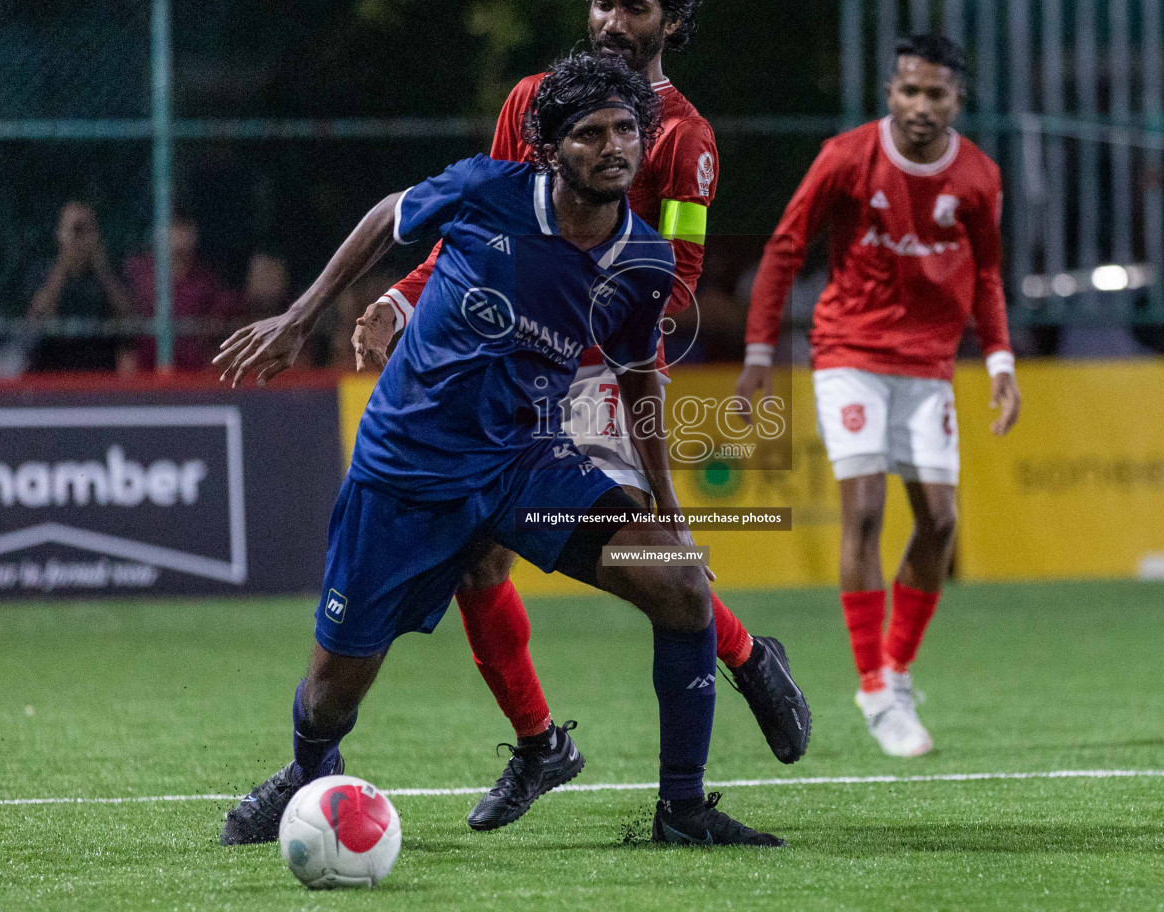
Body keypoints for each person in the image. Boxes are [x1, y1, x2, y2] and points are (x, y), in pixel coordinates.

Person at [215, 53, 784, 847]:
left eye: (626, 130)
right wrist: (303, 314)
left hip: (528, 466)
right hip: (407, 468)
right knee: (329, 696)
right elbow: (388, 213)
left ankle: (682, 811)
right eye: (590, 134)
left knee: (681, 585)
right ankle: (307, 774)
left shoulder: (644, 259)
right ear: (551, 150)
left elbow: (637, 375)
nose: (613, 147)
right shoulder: (491, 190)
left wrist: (668, 506)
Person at [350, 0, 809, 831]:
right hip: (514, 362)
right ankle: (538, 748)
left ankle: (745, 656)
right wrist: (403, 299)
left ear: (671, 18)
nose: (609, 20)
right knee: (479, 556)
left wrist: (575, 310)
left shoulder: (687, 141)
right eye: (601, 1)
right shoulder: (534, 103)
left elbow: (676, 287)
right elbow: (482, 225)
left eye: (632, 5)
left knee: (656, 562)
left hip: (606, 370)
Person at [735, 34, 1021, 758]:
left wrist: (1000, 363)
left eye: (935, 94)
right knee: (864, 509)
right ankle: (873, 686)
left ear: (959, 100)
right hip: (850, 352)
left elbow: (987, 275)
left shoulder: (980, 178)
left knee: (941, 524)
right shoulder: (846, 157)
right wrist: (760, 354)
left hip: (927, 366)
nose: (919, 106)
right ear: (891, 92)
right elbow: (784, 248)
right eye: (908, 90)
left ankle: (897, 669)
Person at [25, 201, 133, 373]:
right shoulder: (42, 271)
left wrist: (101, 267)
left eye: (86, 230)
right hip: (52, 368)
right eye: (75, 230)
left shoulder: (111, 273)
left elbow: (127, 317)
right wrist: (63, 264)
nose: (80, 237)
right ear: (60, 234)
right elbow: (37, 318)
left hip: (99, 369)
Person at [124, 211, 238, 371]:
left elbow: (215, 332)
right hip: (145, 373)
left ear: (194, 234)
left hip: (193, 375)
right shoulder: (138, 271)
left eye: (184, 229)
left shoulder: (206, 279)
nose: (179, 236)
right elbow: (124, 321)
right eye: (173, 228)